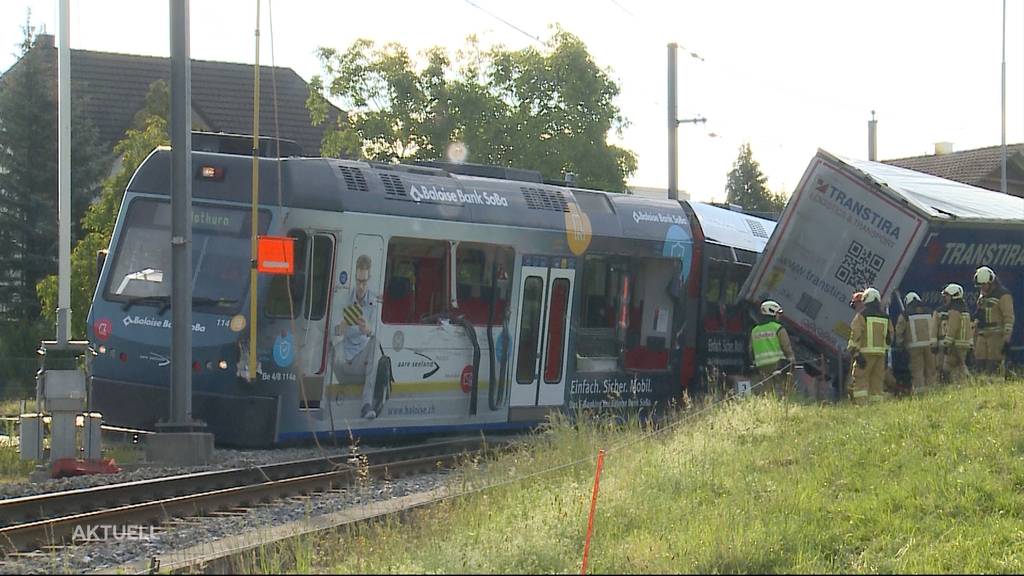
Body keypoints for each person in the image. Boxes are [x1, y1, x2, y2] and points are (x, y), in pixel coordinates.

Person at [331, 254, 382, 420]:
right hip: (343, 358)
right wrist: (340, 328)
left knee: (376, 340)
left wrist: (368, 330)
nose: (361, 286)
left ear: (369, 279)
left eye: (364, 282)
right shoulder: (344, 299)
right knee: (329, 341)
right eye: (359, 281)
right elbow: (333, 331)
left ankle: (366, 404)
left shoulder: (374, 301)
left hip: (363, 359)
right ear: (354, 278)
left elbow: (376, 332)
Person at [847, 287, 893, 404]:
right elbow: (890, 336)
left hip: (864, 354)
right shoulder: (885, 317)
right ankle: (876, 406)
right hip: (881, 355)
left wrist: (855, 353)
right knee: (877, 383)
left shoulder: (862, 315)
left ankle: (861, 406)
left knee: (860, 381)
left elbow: (855, 335)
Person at [973, 265, 1015, 376]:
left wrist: (1006, 339)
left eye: (983, 284)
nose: (981, 287)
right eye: (980, 285)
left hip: (996, 336)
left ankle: (999, 385)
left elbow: (1008, 317)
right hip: (982, 334)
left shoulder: (1003, 295)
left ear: (991, 282)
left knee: (993, 365)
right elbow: (979, 314)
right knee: (979, 363)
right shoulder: (982, 296)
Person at [749, 300, 796, 397]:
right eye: (778, 314)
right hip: (778, 364)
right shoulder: (778, 328)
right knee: (786, 389)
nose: (779, 316)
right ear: (772, 313)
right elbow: (786, 346)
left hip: (761, 366)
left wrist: (755, 362)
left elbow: (750, 350)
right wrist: (792, 360)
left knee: (768, 392)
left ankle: (770, 407)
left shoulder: (754, 330)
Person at [894, 292, 937, 395]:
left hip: (913, 347)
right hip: (930, 345)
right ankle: (933, 392)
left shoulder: (905, 314)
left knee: (917, 371)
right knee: (931, 370)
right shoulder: (930, 312)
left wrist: (899, 344)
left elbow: (899, 330)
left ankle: (920, 393)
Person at [934, 282, 972, 381]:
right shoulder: (965, 310)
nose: (945, 298)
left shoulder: (954, 311)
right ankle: (965, 383)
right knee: (960, 365)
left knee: (948, 366)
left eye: (947, 296)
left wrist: (947, 343)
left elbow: (952, 328)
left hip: (956, 344)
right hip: (964, 344)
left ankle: (957, 384)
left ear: (953, 296)